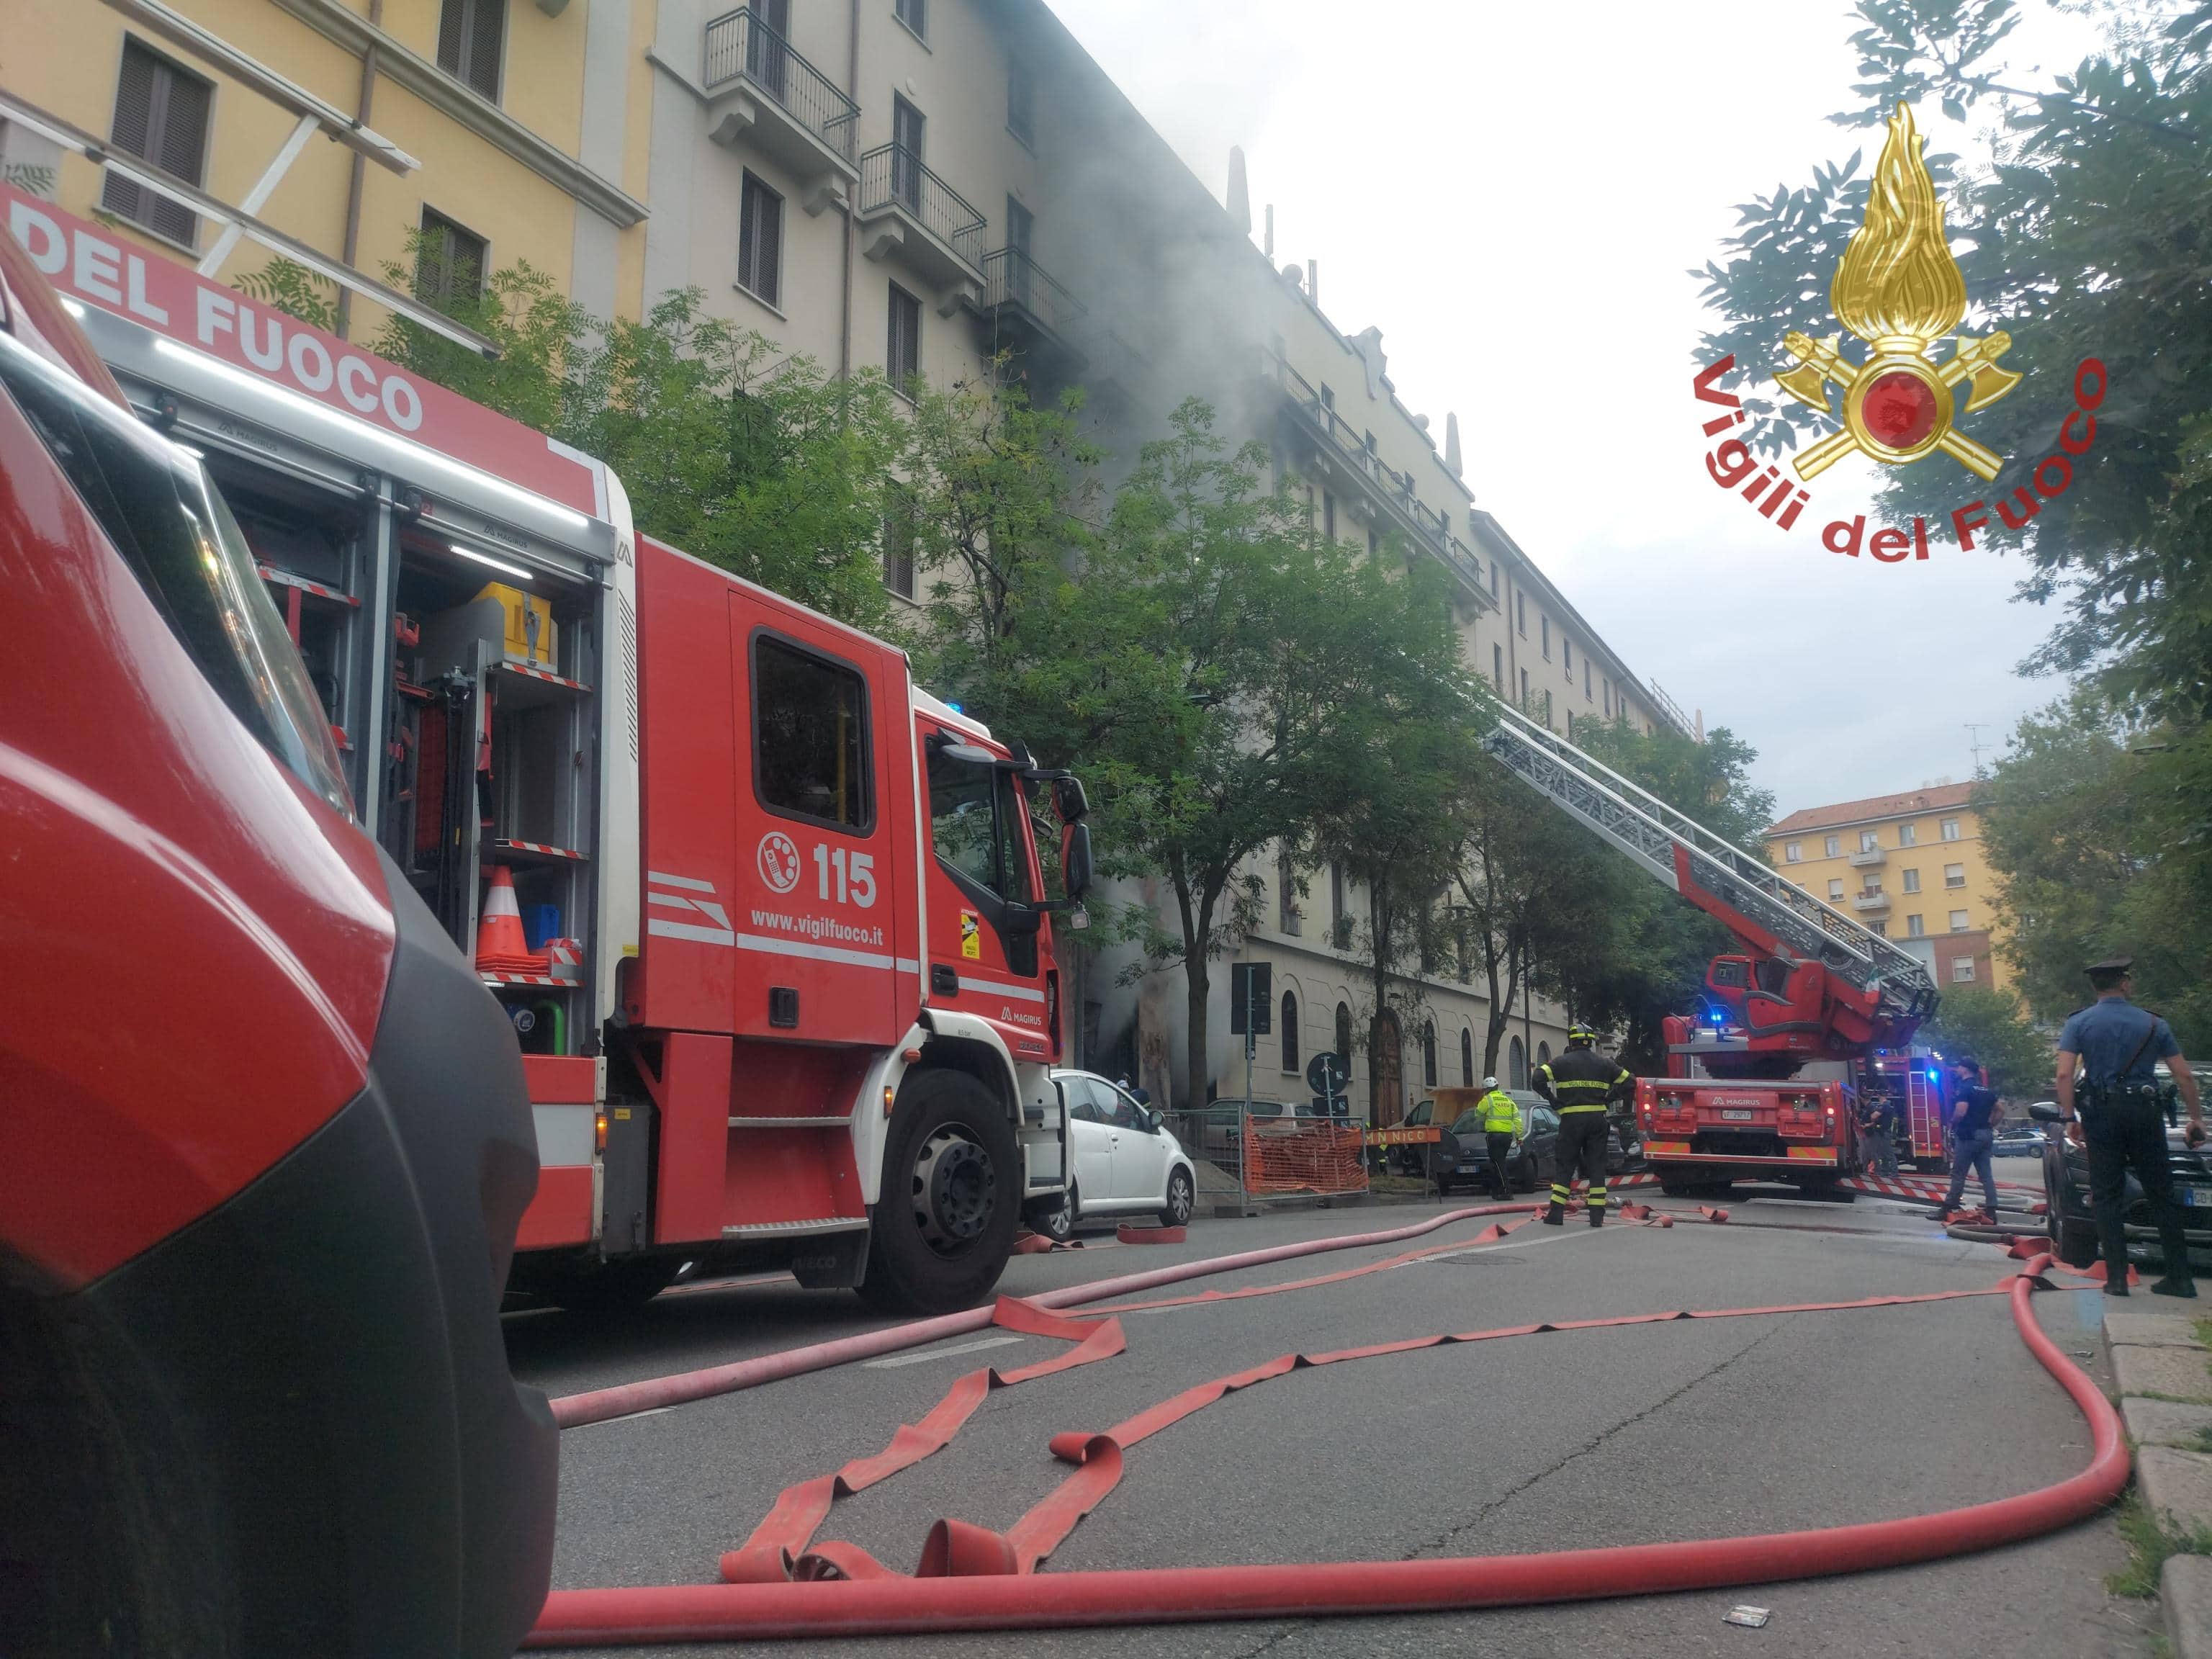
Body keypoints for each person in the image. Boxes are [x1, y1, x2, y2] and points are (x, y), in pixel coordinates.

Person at [2056, 956, 2206, 1298]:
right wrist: (2195, 1119)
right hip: (2145, 1111)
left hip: (2102, 1115)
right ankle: (2180, 1279)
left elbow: (2065, 1073)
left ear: (2096, 987)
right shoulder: (2154, 1024)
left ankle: (2118, 1279)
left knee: (2107, 1195)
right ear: (2123, 983)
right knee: (2161, 1193)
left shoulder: (2079, 1023)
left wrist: (2070, 1118)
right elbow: (2183, 1074)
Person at [1535, 1026, 1635, 1227]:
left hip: (1571, 1121)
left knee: (1565, 1166)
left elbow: (1537, 1079)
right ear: (1591, 1042)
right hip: (1597, 1120)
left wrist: (1554, 1101)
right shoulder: (1604, 1064)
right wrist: (1609, 1099)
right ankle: (1597, 1216)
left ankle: (1556, 1214)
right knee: (1597, 1166)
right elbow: (1630, 1082)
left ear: (1572, 1042)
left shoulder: (1561, 1063)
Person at [1941, 1057, 2002, 1217]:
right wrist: (1990, 1124)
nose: (1957, 1070)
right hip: (1985, 1134)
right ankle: (1991, 1210)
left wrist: (1952, 1122)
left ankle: (1948, 1207)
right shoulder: (1985, 1090)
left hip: (1969, 1135)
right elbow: (2000, 1110)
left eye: (1959, 1067)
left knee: (1959, 1173)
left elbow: (1961, 1111)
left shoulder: (1965, 1088)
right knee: (1986, 1174)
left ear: (1966, 1070)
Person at [1475, 1075, 1521, 1202]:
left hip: (1494, 1135)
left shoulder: (1487, 1099)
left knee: (1498, 1163)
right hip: (1507, 1136)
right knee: (1498, 1162)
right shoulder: (1508, 1101)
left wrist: (1481, 1122)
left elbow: (1478, 1112)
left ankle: (1506, 1191)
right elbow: (1517, 1119)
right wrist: (1519, 1137)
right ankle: (1496, 1191)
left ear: (1487, 1089)